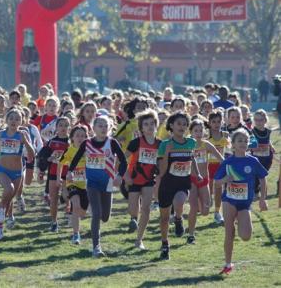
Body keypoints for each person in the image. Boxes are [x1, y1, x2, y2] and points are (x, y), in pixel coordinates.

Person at [68, 116, 127, 257]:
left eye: (106, 126)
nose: (103, 128)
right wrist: (70, 171)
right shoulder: (87, 143)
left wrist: (119, 175)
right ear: (93, 128)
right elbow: (76, 158)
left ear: (110, 128)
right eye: (100, 125)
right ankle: (96, 247)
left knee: (105, 217)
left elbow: (124, 161)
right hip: (92, 183)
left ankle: (96, 214)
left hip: (107, 183)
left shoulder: (112, 143)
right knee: (96, 214)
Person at [214, 129, 268, 274]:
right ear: (233, 144)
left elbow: (263, 179)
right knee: (229, 232)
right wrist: (225, 179)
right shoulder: (228, 162)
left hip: (245, 203)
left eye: (245, 141)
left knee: (245, 236)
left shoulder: (252, 161)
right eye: (240, 141)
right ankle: (228, 263)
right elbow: (217, 183)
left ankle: (241, 219)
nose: (243, 143)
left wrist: (263, 199)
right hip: (229, 201)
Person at [156, 112, 201, 260]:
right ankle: (164, 244)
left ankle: (178, 218)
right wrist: (168, 153)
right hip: (167, 183)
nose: (182, 126)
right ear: (171, 126)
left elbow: (192, 157)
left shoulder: (190, 143)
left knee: (180, 202)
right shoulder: (164, 145)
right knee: (163, 218)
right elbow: (162, 171)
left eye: (184, 124)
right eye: (178, 123)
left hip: (183, 182)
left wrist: (197, 173)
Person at [0, 109, 35, 240]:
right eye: (11, 118)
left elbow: (32, 153)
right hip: (2, 170)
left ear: (21, 121)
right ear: (6, 120)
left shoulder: (22, 135)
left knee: (9, 198)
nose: (14, 121)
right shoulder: (1, 134)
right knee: (9, 189)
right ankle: (1, 213)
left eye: (17, 119)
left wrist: (25, 141)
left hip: (18, 172)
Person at [124, 109, 161, 250]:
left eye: (152, 124)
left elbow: (162, 162)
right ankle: (133, 218)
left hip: (148, 180)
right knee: (133, 209)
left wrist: (160, 173)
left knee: (146, 209)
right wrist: (125, 175)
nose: (150, 127)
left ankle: (139, 239)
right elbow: (121, 160)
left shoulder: (160, 144)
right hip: (133, 179)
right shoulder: (135, 143)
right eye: (146, 124)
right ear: (141, 128)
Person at [187, 119, 223, 244]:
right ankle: (191, 235)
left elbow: (220, 157)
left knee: (205, 211)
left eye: (200, 130)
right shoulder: (187, 144)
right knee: (193, 208)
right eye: (195, 130)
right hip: (191, 180)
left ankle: (200, 200)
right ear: (190, 132)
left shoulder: (206, 144)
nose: (198, 133)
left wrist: (230, 167)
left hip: (204, 180)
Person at [37, 117, 70, 232]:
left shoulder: (71, 142)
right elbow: (43, 157)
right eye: (61, 125)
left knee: (66, 196)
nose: (63, 128)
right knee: (53, 198)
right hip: (53, 173)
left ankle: (69, 209)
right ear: (56, 128)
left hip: (67, 174)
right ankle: (54, 222)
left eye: (66, 125)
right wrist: (47, 161)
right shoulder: (51, 142)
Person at [59, 125, 88, 244]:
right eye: (77, 136)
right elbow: (60, 164)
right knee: (75, 205)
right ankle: (76, 235)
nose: (80, 138)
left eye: (82, 136)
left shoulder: (90, 149)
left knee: (82, 211)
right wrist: (58, 179)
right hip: (73, 183)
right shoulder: (69, 150)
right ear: (72, 138)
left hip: (86, 184)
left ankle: (75, 216)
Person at [207, 111, 230, 224]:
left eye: (219, 121)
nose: (216, 124)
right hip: (207, 166)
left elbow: (230, 150)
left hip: (220, 166)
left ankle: (217, 212)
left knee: (218, 189)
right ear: (209, 123)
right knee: (209, 190)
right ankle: (207, 202)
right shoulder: (206, 136)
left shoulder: (225, 135)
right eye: (214, 122)